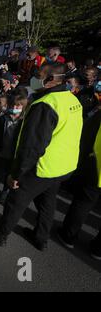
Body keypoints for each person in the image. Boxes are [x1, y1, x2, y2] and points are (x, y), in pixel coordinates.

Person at [0, 64, 83, 251]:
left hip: (42, 166)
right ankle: (40, 237)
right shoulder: (71, 99)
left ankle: (1, 233)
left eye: (38, 75)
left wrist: (17, 174)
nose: (34, 78)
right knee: (47, 201)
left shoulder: (45, 105)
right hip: (64, 164)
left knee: (17, 199)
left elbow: (32, 146)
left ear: (51, 79)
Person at [57, 108, 101, 260]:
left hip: (96, 167)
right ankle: (98, 249)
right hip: (96, 168)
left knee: (83, 202)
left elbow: (87, 136)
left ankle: (68, 235)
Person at [0, 87, 28, 203]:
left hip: (13, 153)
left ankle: (5, 191)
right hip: (1, 150)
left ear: (23, 107)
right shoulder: (3, 118)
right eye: (14, 106)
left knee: (9, 174)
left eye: (18, 106)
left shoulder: (23, 121)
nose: (15, 108)